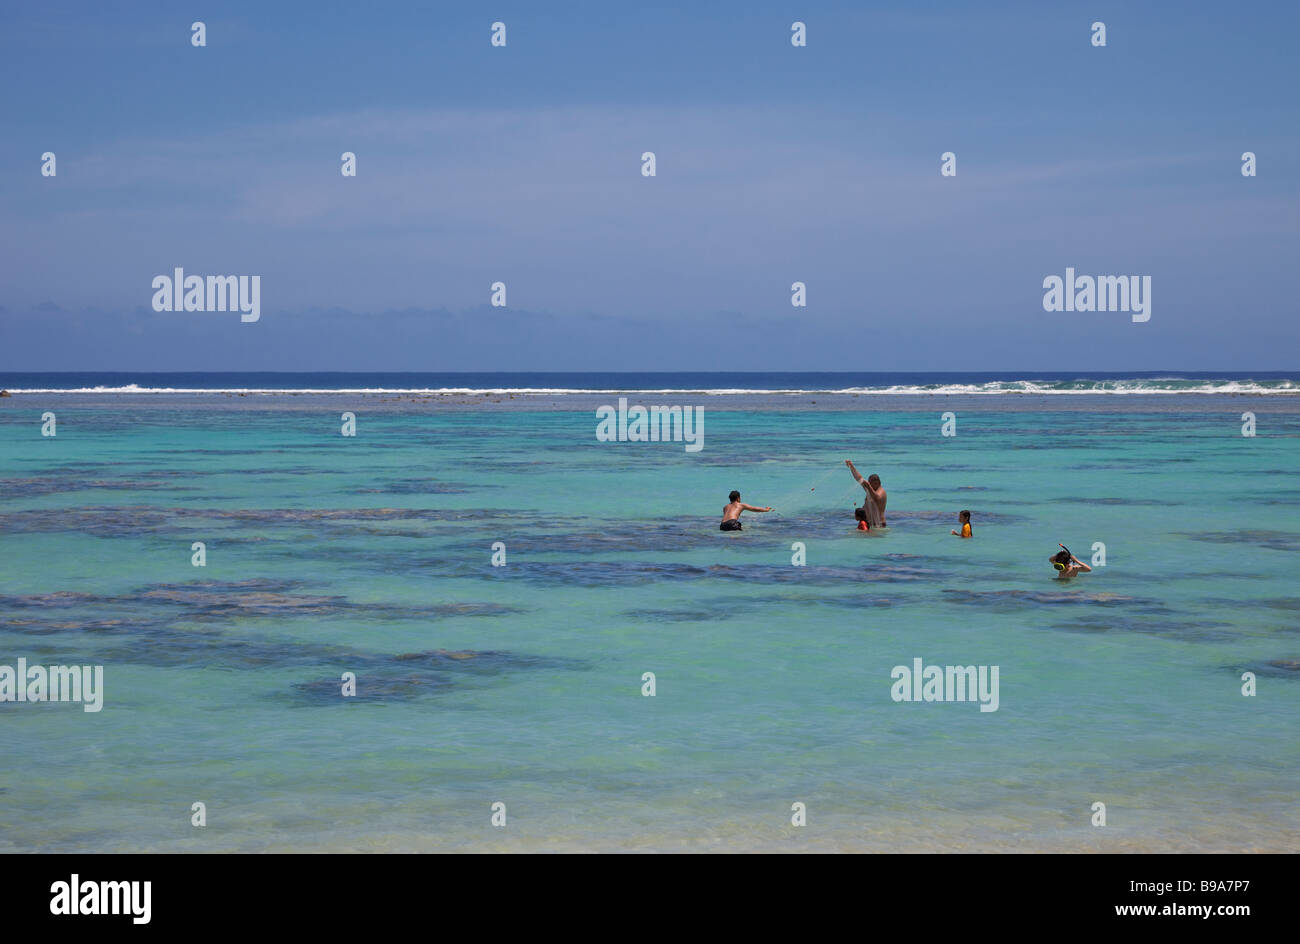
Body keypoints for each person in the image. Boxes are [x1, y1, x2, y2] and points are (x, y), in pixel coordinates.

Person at [844, 460, 886, 527]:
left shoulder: (881, 491)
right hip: (870, 524)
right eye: (869, 484)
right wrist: (851, 467)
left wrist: (868, 486)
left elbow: (877, 498)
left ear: (877, 483)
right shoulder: (870, 489)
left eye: (870, 484)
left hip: (878, 525)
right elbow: (859, 479)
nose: (869, 485)